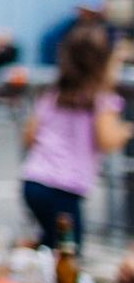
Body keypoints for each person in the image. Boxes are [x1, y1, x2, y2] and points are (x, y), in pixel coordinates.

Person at [20, 26, 129, 252]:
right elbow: (107, 139)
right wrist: (126, 130)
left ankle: (25, 255)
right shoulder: (101, 100)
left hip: (34, 179)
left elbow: (29, 135)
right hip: (65, 187)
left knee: (50, 242)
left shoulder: (54, 95)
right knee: (69, 250)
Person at [38, 0, 108, 68]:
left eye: (94, 13)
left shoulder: (104, 29)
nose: (91, 16)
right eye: (88, 12)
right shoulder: (58, 33)